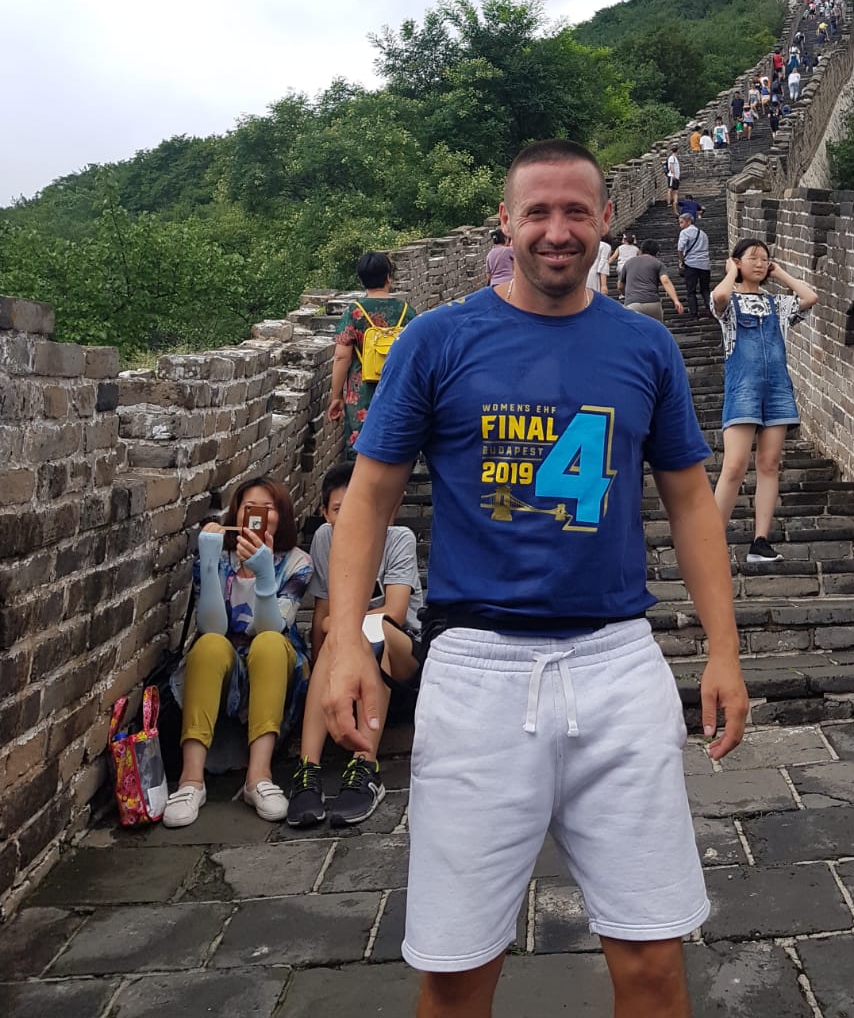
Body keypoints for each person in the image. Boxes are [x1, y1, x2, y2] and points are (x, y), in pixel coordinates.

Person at [322, 139, 747, 1016]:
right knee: (455, 974)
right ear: (506, 223)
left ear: (605, 221)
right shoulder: (438, 341)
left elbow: (691, 503)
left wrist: (724, 650)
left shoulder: (645, 346)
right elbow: (368, 496)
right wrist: (343, 645)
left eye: (577, 212)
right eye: (539, 213)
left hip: (616, 663)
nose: (558, 231)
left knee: (654, 965)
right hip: (477, 670)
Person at [163, 478, 313, 828]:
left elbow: (272, 627)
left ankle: (259, 777)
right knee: (209, 645)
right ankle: (190, 780)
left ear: (281, 515)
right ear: (236, 514)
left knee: (269, 643)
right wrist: (209, 564)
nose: (257, 515)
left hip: (274, 660)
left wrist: (264, 574)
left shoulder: (298, 563)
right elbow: (212, 625)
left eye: (267, 508)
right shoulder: (220, 555)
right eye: (248, 507)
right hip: (224, 659)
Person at [288, 461, 422, 829]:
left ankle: (365, 766)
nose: (348, 518)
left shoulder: (399, 538)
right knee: (341, 634)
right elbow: (322, 614)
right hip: (349, 646)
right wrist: (323, 672)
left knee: (359, 629)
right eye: (338, 510)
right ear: (324, 512)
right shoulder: (325, 539)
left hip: (400, 650)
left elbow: (394, 612)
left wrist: (339, 625)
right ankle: (307, 770)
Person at [711, 240, 818, 564]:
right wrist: (730, 272)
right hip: (742, 388)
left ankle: (760, 542)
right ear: (737, 262)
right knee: (734, 466)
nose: (760, 263)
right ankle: (709, 541)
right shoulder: (730, 302)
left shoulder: (777, 304)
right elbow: (719, 298)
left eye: (765, 259)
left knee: (769, 465)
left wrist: (780, 273)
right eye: (753, 258)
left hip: (778, 389)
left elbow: (810, 297)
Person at [327, 253, 417, 455]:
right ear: (388, 278)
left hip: (362, 394)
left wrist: (336, 396)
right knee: (395, 447)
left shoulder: (355, 312)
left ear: (361, 280)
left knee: (362, 449)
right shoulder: (406, 312)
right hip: (398, 390)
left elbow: (341, 357)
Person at [618, 239, 685, 321]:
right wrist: (676, 301)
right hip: (652, 303)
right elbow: (665, 281)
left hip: (632, 304)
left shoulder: (628, 263)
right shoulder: (657, 263)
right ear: (656, 253)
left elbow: (620, 285)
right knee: (656, 328)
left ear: (641, 251)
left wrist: (626, 294)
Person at [676, 211, 711, 319]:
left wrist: (681, 261)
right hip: (705, 265)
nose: (680, 225)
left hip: (691, 264)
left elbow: (680, 248)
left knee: (691, 290)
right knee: (705, 290)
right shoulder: (703, 233)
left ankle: (694, 313)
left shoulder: (685, 233)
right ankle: (710, 309)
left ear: (688, 221)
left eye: (681, 222)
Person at [664, 148, 681, 214]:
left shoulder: (675, 158)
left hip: (676, 177)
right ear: (677, 151)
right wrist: (673, 174)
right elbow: (671, 166)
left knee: (676, 190)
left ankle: (675, 202)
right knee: (670, 188)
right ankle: (669, 202)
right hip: (672, 176)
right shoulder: (672, 158)